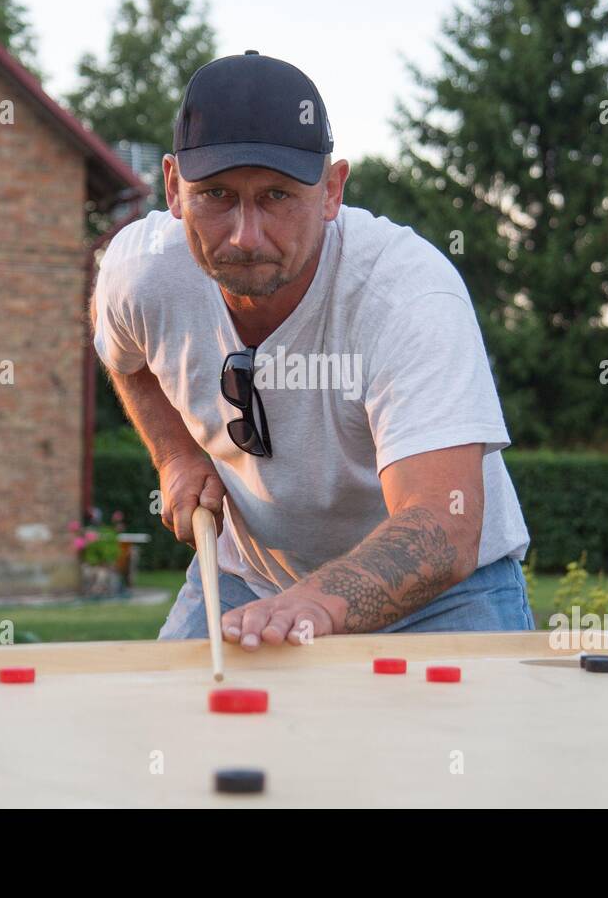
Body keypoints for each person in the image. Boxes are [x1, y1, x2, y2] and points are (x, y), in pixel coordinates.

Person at [92, 51, 533, 650]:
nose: (246, 237)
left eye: (277, 196)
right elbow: (127, 358)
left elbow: (441, 524)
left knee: (462, 747)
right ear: (173, 187)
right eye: (217, 195)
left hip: (446, 598)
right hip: (247, 582)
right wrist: (174, 456)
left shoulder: (408, 296)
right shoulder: (142, 274)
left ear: (331, 190)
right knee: (181, 735)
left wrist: (314, 603)